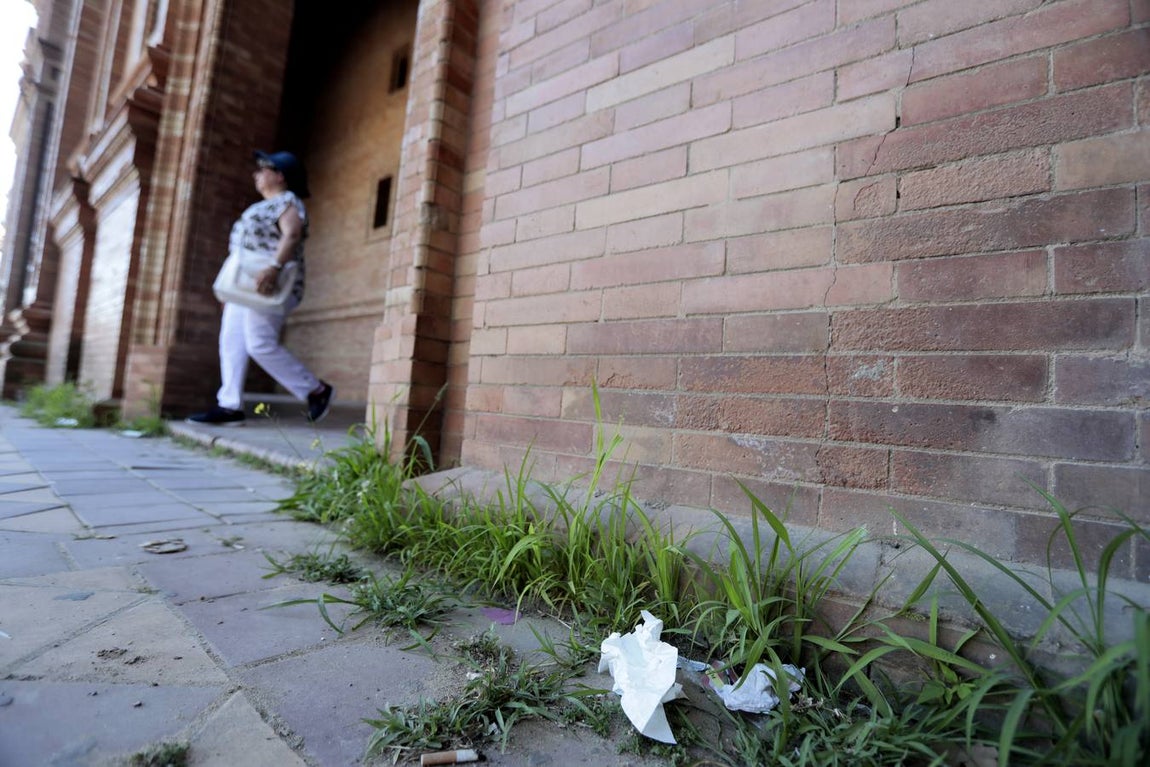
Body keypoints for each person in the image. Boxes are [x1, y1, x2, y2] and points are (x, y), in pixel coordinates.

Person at [187, 150, 334, 426]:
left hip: (268, 284)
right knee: (231, 342)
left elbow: (291, 234)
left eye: (262, 169)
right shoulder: (260, 206)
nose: (256, 174)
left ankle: (316, 390)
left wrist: (274, 268)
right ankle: (229, 405)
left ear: (279, 175)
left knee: (259, 344)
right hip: (244, 287)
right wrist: (230, 292)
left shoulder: (288, 201)